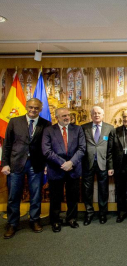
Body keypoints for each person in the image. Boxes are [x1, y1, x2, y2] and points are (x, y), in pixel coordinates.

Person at [1, 98, 51, 239]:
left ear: (40, 109)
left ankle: (34, 220)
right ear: (26, 107)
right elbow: (7, 145)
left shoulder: (46, 124)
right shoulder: (14, 122)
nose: (33, 110)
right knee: (13, 196)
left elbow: (47, 146)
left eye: (36, 108)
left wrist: (46, 165)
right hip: (16, 163)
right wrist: (5, 163)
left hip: (36, 165)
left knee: (36, 195)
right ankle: (12, 223)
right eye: (30, 107)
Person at [42, 107, 86, 232]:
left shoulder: (78, 129)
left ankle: (71, 218)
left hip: (74, 168)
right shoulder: (49, 130)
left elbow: (82, 148)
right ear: (57, 118)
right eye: (64, 116)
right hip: (56, 168)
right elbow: (47, 151)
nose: (67, 117)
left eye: (68, 115)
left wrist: (71, 162)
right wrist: (63, 163)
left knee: (73, 196)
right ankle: (55, 221)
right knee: (56, 197)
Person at [81, 106, 114, 226]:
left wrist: (110, 166)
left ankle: (102, 214)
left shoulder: (110, 128)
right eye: (94, 113)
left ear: (103, 115)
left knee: (103, 190)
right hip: (87, 163)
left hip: (103, 163)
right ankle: (89, 213)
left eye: (99, 113)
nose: (96, 115)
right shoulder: (84, 127)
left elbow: (111, 150)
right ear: (91, 115)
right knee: (87, 190)